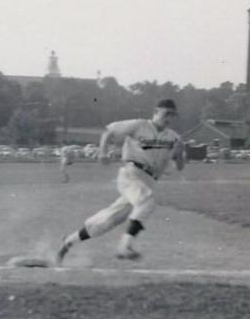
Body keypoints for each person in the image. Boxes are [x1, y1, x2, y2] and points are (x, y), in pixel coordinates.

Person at [56, 99, 184, 262]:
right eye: (166, 114)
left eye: (172, 115)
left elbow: (179, 167)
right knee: (146, 202)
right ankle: (125, 246)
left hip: (148, 180)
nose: (169, 118)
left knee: (107, 221)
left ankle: (68, 241)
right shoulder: (139, 125)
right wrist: (102, 152)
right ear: (156, 112)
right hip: (131, 174)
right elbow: (108, 132)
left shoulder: (173, 138)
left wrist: (181, 155)